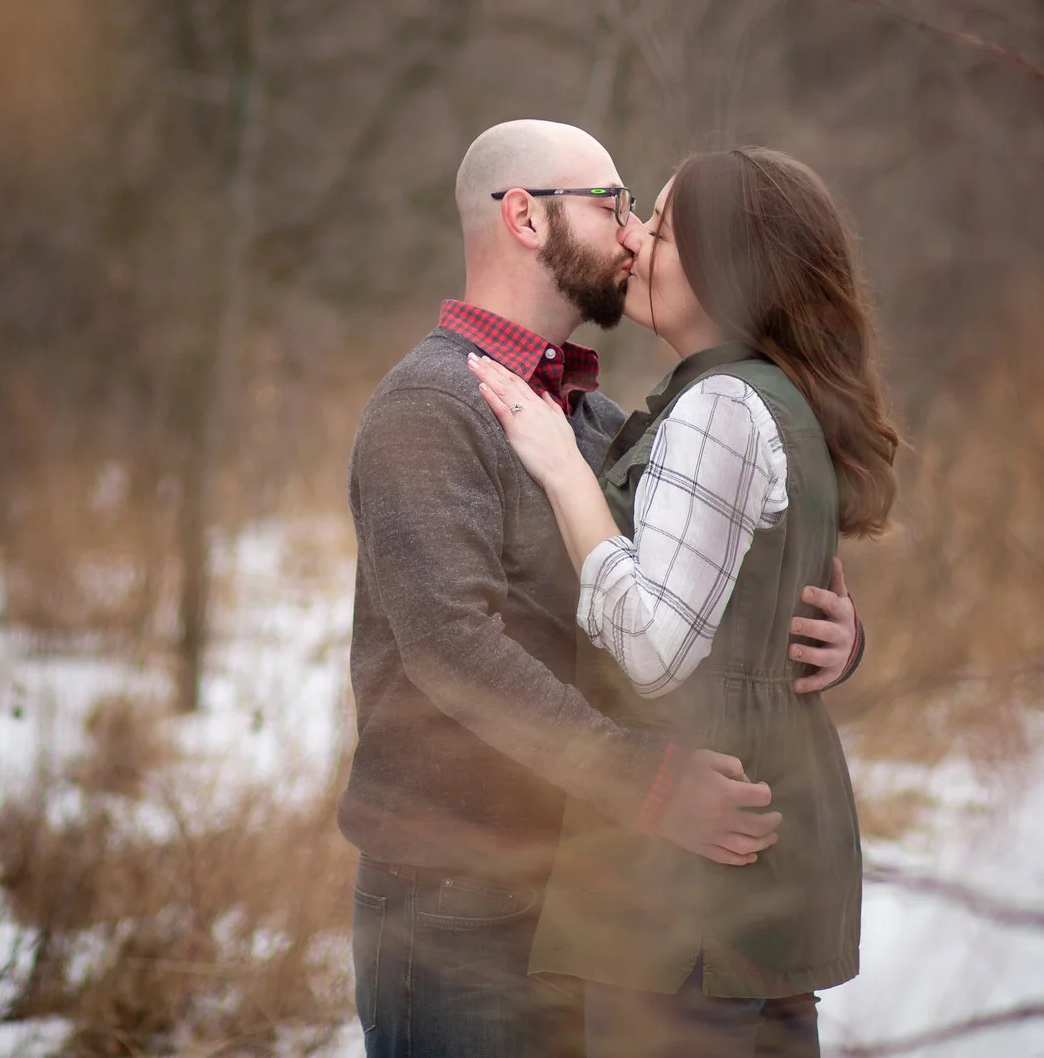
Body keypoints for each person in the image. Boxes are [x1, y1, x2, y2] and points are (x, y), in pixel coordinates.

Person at [343, 122, 866, 1058]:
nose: (632, 234)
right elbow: (449, 650)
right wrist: (646, 782)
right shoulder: (429, 409)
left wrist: (834, 632)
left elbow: (688, 592)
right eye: (612, 204)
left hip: (595, 893)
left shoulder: (595, 419)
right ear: (525, 217)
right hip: (459, 896)